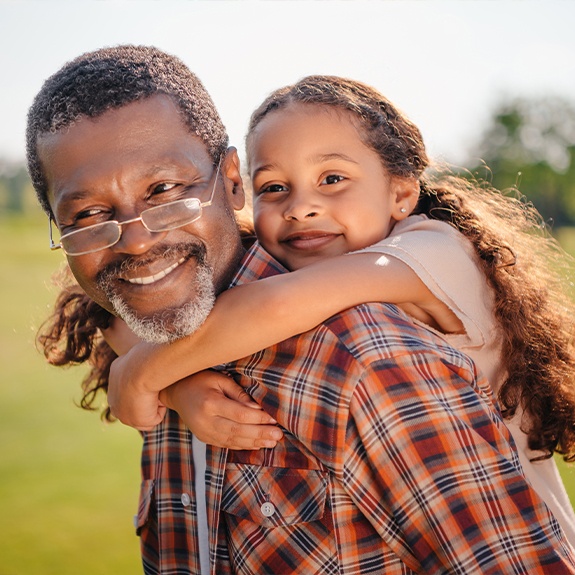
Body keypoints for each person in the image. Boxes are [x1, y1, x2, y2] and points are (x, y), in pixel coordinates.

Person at [29, 46, 575, 574]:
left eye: (164, 190)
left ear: (402, 192)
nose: (303, 206)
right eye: (277, 187)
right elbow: (113, 310)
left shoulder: (405, 294)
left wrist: (147, 372)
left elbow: (275, 305)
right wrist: (176, 385)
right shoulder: (190, 303)